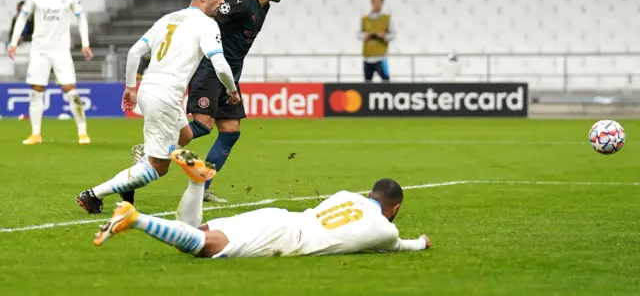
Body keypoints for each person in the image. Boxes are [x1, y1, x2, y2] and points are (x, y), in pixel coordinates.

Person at [126, 0, 290, 204]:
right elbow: (207, 18)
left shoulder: (263, 6)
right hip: (211, 70)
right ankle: (148, 151)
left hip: (229, 75)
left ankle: (202, 187)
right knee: (202, 124)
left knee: (230, 131)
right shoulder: (242, 3)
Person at [75, 0, 240, 214]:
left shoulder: (167, 19)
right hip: (164, 97)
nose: (222, 0)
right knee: (158, 168)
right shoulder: (207, 24)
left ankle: (133, 171)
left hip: (150, 91)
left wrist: (130, 88)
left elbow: (134, 52)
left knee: (184, 135)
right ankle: (93, 195)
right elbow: (220, 64)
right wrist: (232, 90)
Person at [94, 152, 432, 259]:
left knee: (193, 234)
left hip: (280, 217)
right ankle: (134, 218)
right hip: (287, 238)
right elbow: (402, 245)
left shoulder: (347, 195)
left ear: (370, 194)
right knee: (206, 248)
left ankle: (197, 182)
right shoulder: (386, 230)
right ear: (395, 208)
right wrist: (422, 242)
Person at [7, 0, 93, 145]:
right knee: (36, 91)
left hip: (61, 51)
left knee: (71, 91)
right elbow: (22, 18)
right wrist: (13, 42)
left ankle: (83, 133)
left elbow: (81, 18)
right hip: (40, 50)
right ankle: (36, 135)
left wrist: (85, 43)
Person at [358, 0, 395, 82]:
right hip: (367, 57)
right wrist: (365, 36)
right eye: (375, 2)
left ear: (382, 3)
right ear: (372, 3)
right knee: (367, 82)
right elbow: (358, 34)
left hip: (381, 57)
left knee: (386, 80)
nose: (377, 4)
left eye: (379, 2)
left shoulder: (386, 18)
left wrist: (383, 36)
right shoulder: (365, 19)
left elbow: (393, 35)